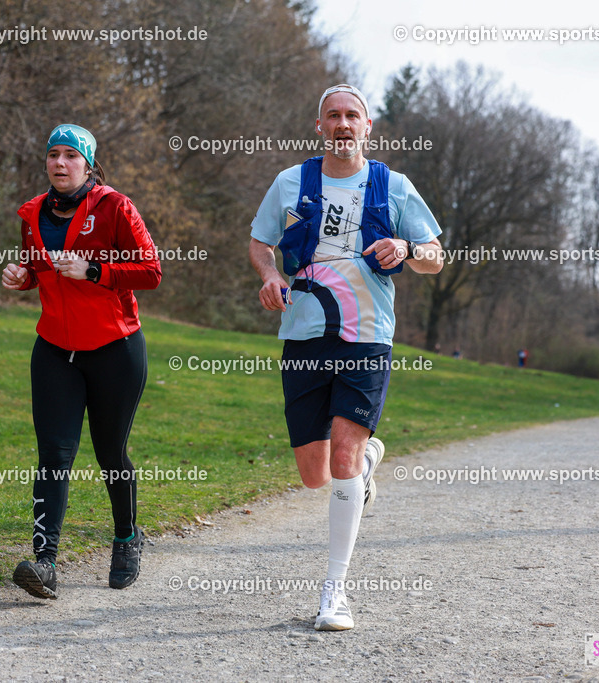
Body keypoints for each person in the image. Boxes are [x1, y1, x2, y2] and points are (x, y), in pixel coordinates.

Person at [248, 84, 443, 631]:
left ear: (367, 126)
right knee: (314, 475)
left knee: (341, 460)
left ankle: (333, 593)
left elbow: (435, 256)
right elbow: (260, 241)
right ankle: (367, 461)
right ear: (319, 126)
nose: (342, 124)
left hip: (367, 335)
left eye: (351, 115)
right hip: (304, 334)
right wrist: (270, 274)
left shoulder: (393, 186)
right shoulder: (291, 182)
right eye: (332, 115)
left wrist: (407, 249)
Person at [2, 124, 162, 599]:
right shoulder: (32, 214)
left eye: (71, 155)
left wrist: (95, 270)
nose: (60, 163)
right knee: (53, 454)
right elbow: (35, 268)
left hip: (115, 349)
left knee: (110, 453)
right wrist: (20, 275)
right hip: (55, 349)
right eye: (53, 154)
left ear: (88, 164)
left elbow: (151, 271)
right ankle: (45, 563)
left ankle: (126, 538)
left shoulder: (115, 207)